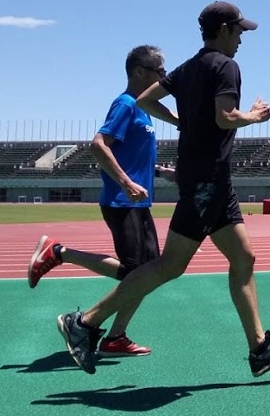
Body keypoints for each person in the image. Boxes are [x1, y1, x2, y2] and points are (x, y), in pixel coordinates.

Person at [54, 1, 270, 377]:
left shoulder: (187, 68)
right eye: (239, 31)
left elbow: (145, 99)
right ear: (223, 29)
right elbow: (225, 117)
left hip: (210, 180)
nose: (241, 39)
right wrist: (254, 116)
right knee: (169, 265)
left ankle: (260, 348)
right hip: (207, 181)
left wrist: (181, 121)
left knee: (244, 258)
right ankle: (85, 322)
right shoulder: (226, 66)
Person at [29, 45, 175, 357]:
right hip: (122, 201)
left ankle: (116, 337)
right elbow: (98, 144)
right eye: (160, 72)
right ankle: (59, 252)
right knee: (136, 273)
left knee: (149, 272)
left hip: (137, 202)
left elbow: (132, 155)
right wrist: (126, 183)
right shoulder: (125, 104)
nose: (164, 78)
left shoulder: (141, 108)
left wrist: (162, 172)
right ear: (139, 72)